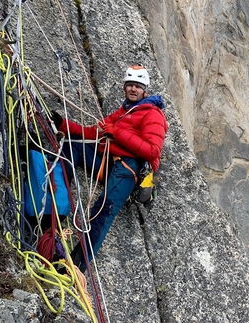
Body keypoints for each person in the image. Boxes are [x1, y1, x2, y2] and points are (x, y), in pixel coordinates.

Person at [50, 65, 168, 272]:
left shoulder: (152, 114)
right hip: (109, 161)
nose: (133, 89)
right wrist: (63, 125)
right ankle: (58, 192)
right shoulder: (123, 112)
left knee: (103, 211)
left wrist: (117, 133)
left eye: (138, 86)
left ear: (145, 90)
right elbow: (93, 133)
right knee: (72, 145)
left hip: (128, 169)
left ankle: (74, 266)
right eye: (130, 85)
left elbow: (152, 151)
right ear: (124, 88)